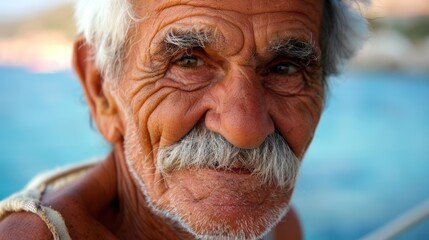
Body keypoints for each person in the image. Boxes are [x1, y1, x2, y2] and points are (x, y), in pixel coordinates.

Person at [0, 0, 368, 239]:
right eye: (188, 61)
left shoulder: (282, 230)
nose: (245, 129)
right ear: (101, 90)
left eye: (284, 68)